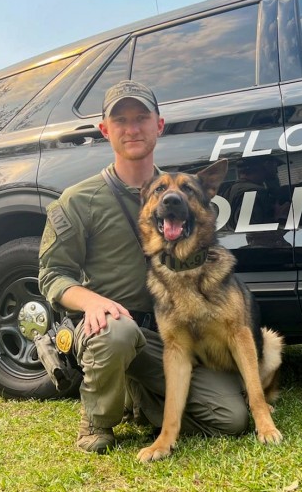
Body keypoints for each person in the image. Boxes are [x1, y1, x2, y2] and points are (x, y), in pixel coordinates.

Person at [38, 80, 249, 454]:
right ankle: (97, 420)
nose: (132, 128)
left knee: (231, 418)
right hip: (110, 327)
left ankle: (140, 398)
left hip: (166, 335)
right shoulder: (78, 200)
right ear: (105, 130)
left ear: (159, 126)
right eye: (120, 120)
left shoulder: (182, 192)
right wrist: (91, 302)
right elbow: (52, 274)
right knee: (116, 332)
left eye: (141, 118)